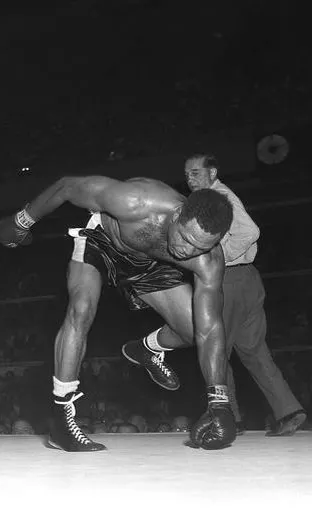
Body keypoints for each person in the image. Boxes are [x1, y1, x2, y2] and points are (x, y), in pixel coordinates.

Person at [0, 175, 235, 451]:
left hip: (147, 265)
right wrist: (22, 221)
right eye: (186, 238)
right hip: (103, 243)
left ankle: (146, 349)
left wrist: (220, 402)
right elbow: (67, 186)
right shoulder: (135, 200)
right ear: (178, 213)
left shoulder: (209, 261)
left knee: (193, 331)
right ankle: (61, 417)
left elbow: (210, 328)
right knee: (80, 309)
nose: (187, 252)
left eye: (200, 247)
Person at [123, 154, 307, 436]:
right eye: (187, 174)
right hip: (248, 279)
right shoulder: (212, 198)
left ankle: (228, 416)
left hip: (229, 280)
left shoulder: (218, 196)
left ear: (213, 172)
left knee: (216, 347)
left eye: (196, 173)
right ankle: (289, 411)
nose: (190, 179)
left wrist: (218, 259)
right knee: (256, 352)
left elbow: (250, 232)